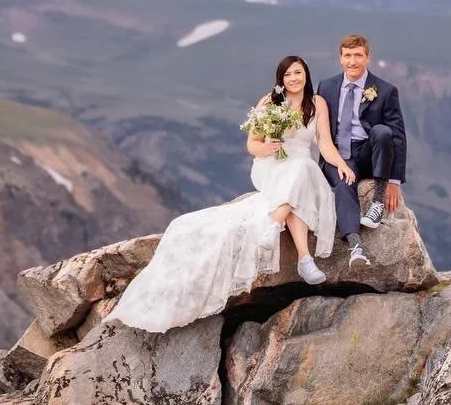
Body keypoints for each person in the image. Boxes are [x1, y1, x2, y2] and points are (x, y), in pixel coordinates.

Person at [105, 55, 356, 334]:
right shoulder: (270, 102)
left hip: (300, 167)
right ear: (281, 79)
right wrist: (269, 147)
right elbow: (253, 145)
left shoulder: (317, 103)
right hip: (272, 166)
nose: (294, 78)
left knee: (300, 172)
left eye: (298, 73)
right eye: (288, 75)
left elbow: (324, 143)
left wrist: (341, 164)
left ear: (306, 74)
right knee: (297, 177)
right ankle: (298, 251)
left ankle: (288, 239)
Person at [316, 34, 407, 267]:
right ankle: (356, 246)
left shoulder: (385, 90)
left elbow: (397, 136)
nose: (352, 61)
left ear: (368, 57)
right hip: (339, 155)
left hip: (368, 152)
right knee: (344, 186)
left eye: (358, 55)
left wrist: (394, 181)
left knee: (382, 131)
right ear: (340, 59)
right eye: (347, 56)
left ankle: (376, 203)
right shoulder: (326, 87)